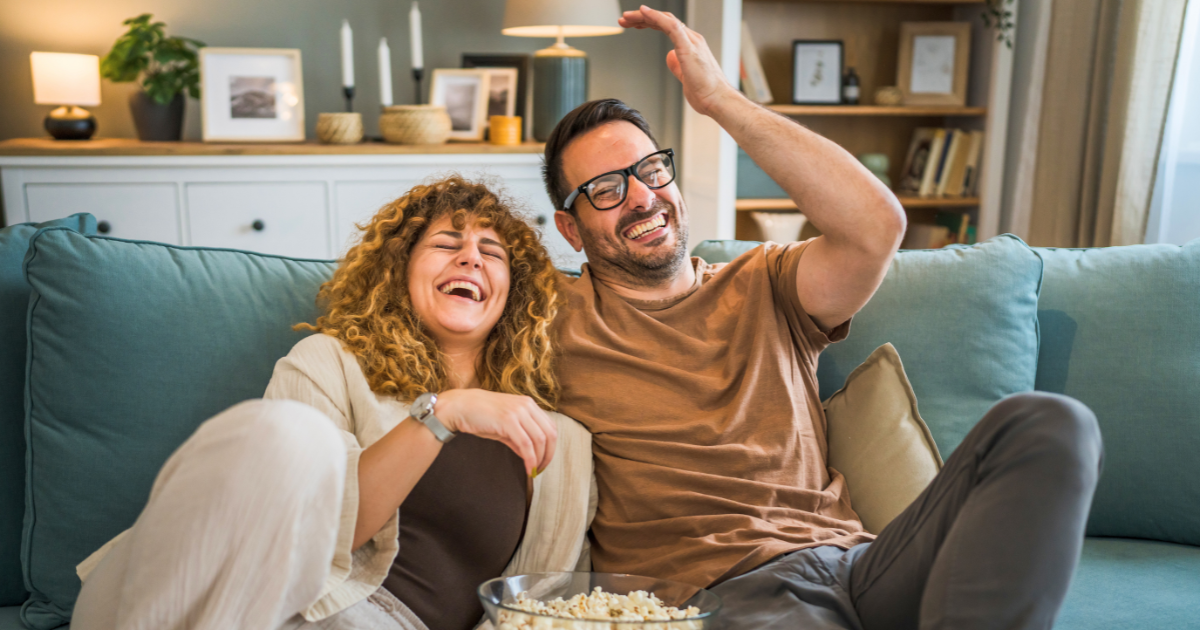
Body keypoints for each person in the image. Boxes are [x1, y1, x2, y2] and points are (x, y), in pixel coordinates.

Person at [542, 7, 1103, 630]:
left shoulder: (765, 281)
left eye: (650, 171)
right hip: (730, 594)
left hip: (860, 565)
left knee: (1052, 425)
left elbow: (876, 227)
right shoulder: (551, 322)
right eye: (606, 189)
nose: (643, 197)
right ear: (570, 228)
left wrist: (721, 100)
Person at [71, 176, 595, 630]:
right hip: (238, 592)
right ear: (398, 270)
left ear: (514, 292)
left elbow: (568, 600)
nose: (470, 257)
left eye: (493, 252)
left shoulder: (563, 443)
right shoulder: (329, 363)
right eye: (446, 244)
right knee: (286, 435)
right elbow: (313, 535)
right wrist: (441, 413)